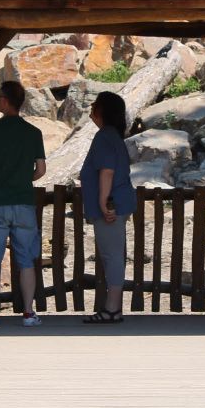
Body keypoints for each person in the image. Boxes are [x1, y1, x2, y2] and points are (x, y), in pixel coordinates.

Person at [0, 80, 47, 327]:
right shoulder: (33, 133)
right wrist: (25, 178)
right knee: (26, 260)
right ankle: (28, 311)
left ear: (5, 100)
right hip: (24, 202)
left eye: (0, 97)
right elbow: (41, 169)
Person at [80, 91, 137, 324]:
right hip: (118, 202)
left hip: (111, 205)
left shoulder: (104, 137)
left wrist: (103, 202)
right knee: (113, 255)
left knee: (112, 256)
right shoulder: (113, 136)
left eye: (95, 105)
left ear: (103, 110)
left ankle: (112, 308)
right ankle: (112, 307)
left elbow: (107, 171)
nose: (91, 108)